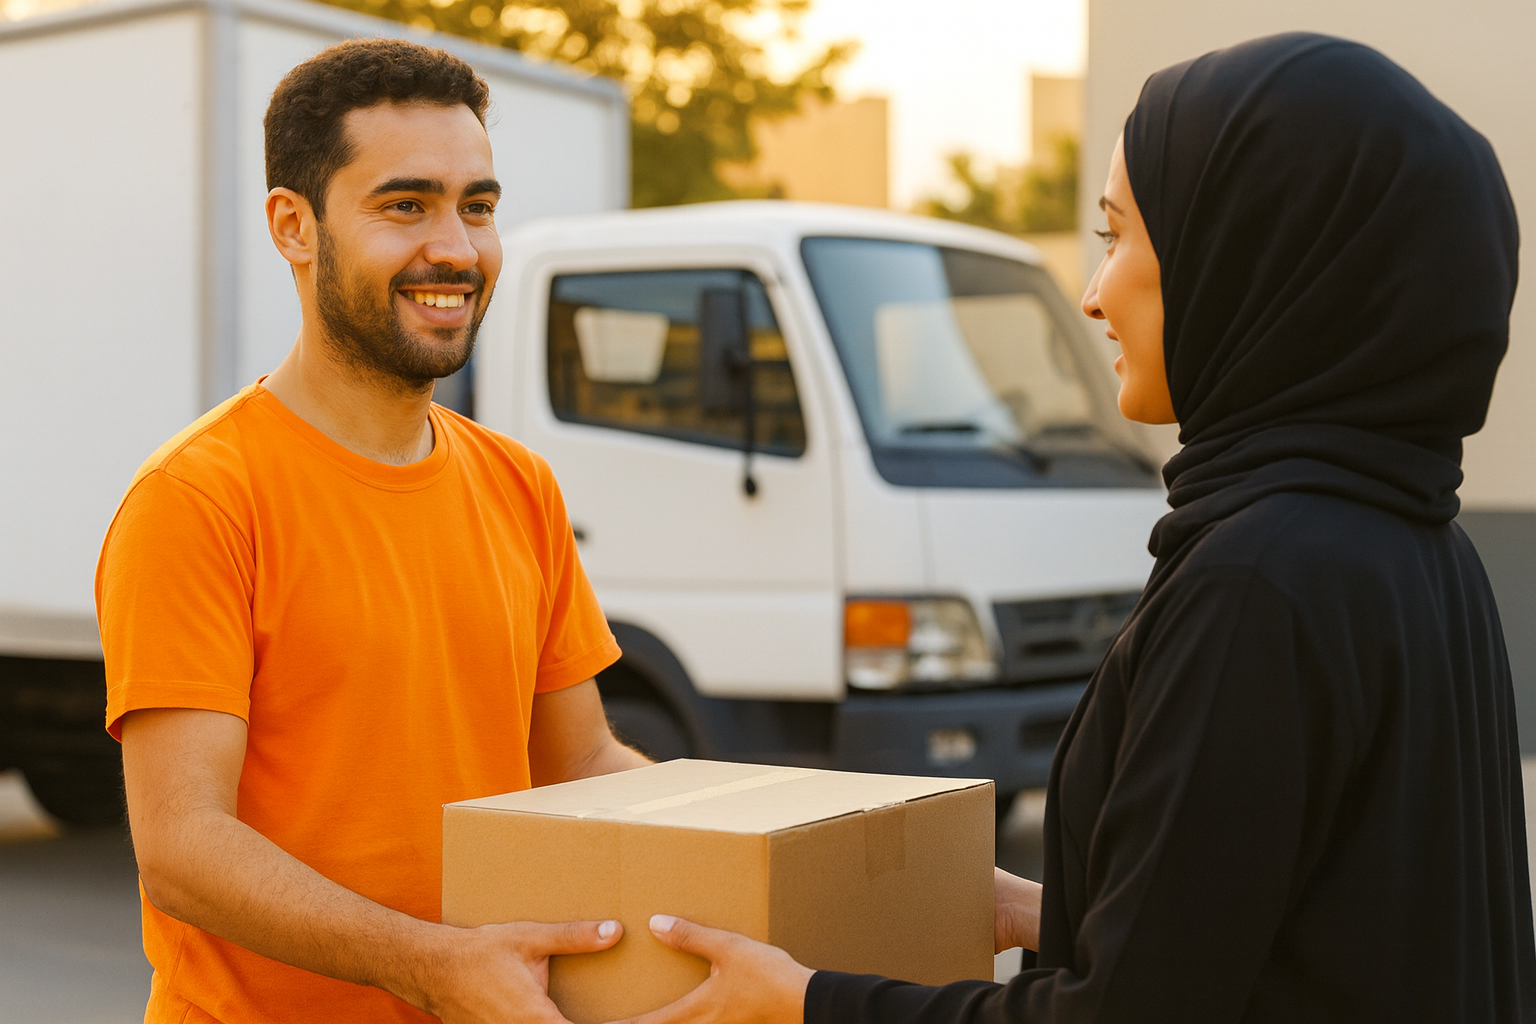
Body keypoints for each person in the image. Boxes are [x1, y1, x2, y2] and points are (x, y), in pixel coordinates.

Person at [613, 32, 1536, 1024]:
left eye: (1119, 235)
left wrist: (804, 1000)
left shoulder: (1257, 579)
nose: (1094, 296)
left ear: (1253, 254)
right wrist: (1051, 910)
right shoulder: (1416, 545)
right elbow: (1316, 932)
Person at [96, 38, 649, 1024]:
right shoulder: (200, 494)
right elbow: (183, 845)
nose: (456, 248)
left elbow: (584, 764)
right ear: (293, 227)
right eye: (406, 205)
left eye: (476, 205)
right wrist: (432, 964)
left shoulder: (518, 483)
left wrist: (810, 841)